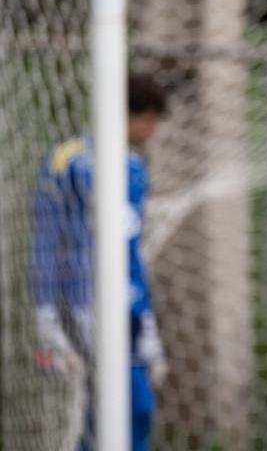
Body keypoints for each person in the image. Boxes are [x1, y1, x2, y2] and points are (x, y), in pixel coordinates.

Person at [31, 74, 170, 451]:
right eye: (151, 120)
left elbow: (131, 250)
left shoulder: (135, 168)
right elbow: (46, 240)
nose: (154, 131)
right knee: (124, 406)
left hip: (128, 308)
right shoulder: (69, 160)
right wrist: (46, 312)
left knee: (125, 412)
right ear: (130, 115)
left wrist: (147, 322)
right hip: (83, 305)